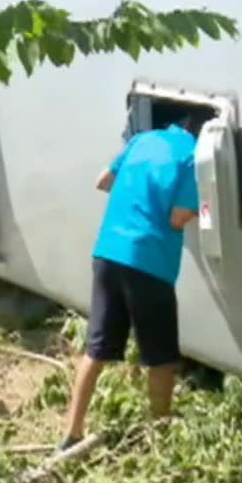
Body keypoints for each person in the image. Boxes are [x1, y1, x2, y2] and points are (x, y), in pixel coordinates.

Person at [60, 110, 205, 451]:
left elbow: (103, 181)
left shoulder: (142, 140)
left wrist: (137, 197)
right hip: (148, 262)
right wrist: (205, 205)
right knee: (161, 357)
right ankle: (161, 439)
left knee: (96, 349)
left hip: (108, 253)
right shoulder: (191, 158)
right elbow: (177, 217)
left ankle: (71, 433)